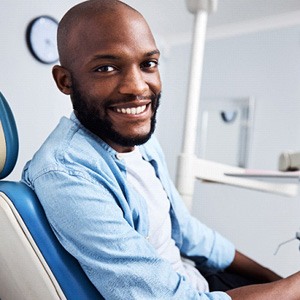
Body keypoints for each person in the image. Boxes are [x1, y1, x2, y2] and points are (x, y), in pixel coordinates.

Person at [22, 0, 300, 299]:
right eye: (106, 68)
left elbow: (188, 232)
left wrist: (276, 279)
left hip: (200, 280)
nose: (137, 87)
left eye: (148, 64)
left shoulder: (140, 143)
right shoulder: (66, 174)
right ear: (65, 81)